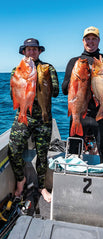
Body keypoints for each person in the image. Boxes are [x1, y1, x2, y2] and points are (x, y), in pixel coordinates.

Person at [8, 38, 59, 202]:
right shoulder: (16, 70)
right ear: (24, 52)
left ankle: (42, 187)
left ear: (39, 52)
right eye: (28, 49)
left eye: (34, 49)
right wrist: (19, 83)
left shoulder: (48, 68)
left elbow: (56, 92)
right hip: (23, 116)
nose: (31, 52)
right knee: (13, 150)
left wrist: (42, 83)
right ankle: (21, 180)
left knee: (43, 155)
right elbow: (12, 96)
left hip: (43, 118)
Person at [62, 26, 103, 163]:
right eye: (87, 39)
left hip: (102, 113)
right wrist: (74, 80)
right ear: (83, 41)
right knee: (73, 155)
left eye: (94, 39)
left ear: (99, 40)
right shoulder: (74, 61)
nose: (91, 42)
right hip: (79, 114)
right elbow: (64, 90)